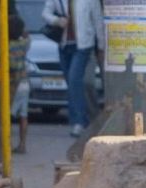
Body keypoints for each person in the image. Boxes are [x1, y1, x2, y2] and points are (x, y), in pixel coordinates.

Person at [42, 0, 104, 137]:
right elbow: (45, 13)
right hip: (64, 45)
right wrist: (57, 20)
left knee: (74, 80)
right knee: (72, 84)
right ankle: (85, 120)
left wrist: (101, 45)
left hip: (83, 46)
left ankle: (79, 122)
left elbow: (97, 20)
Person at [8, 15, 30, 154]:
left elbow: (11, 66)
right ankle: (22, 144)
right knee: (23, 115)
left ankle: (7, 145)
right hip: (25, 82)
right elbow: (28, 37)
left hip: (13, 83)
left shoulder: (8, 46)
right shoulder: (24, 44)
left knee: (7, 115)